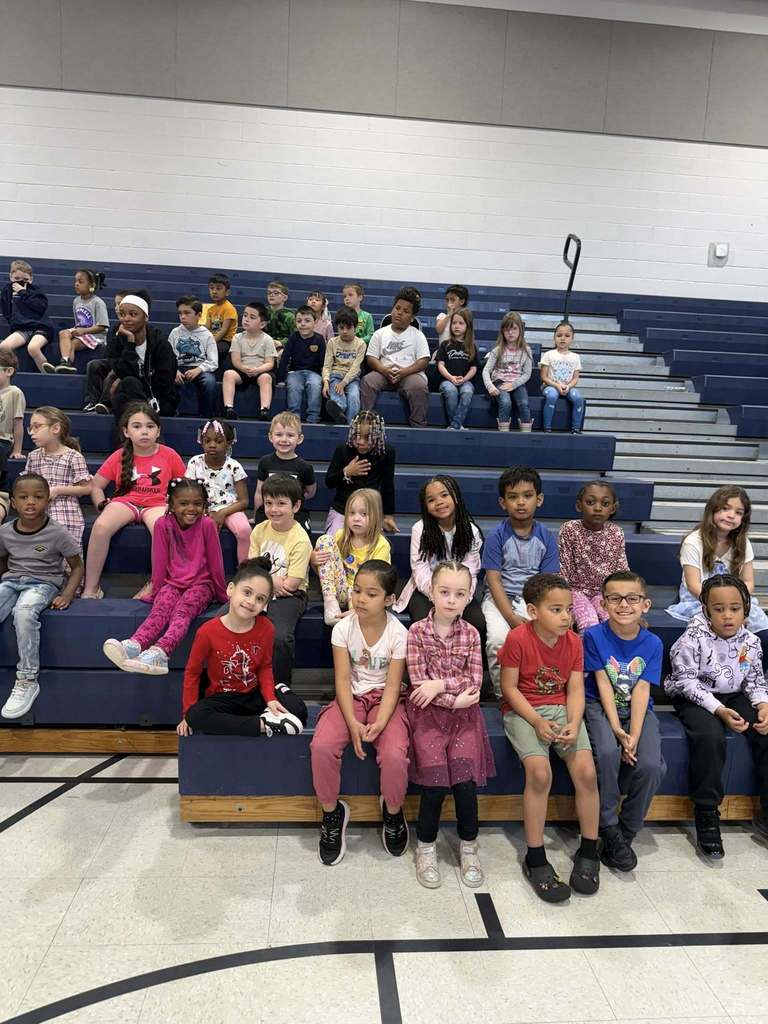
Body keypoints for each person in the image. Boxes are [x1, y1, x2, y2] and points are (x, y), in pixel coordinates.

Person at [500, 572, 600, 902]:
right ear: (533, 611)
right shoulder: (518, 639)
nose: (565, 616)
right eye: (556, 610)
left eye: (568, 609)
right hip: (524, 711)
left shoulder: (573, 641)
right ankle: (535, 855)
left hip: (562, 710)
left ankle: (589, 849)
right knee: (540, 774)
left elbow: (574, 689)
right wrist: (536, 720)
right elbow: (509, 689)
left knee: (586, 772)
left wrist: (574, 721)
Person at [310, 560, 410, 865]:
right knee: (322, 746)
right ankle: (332, 813)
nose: (360, 599)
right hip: (350, 697)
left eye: (371, 594)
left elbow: (393, 685)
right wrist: (352, 722)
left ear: (390, 599)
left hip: (386, 700)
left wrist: (380, 722)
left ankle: (392, 813)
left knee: (394, 755)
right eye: (356, 591)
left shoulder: (398, 632)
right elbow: (341, 678)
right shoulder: (343, 628)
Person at [665, 574, 768, 859]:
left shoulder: (750, 641)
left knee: (765, 729)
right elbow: (685, 682)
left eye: (734, 608)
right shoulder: (692, 638)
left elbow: (754, 681)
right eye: (719, 608)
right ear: (706, 610)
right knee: (710, 737)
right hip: (695, 695)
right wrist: (719, 710)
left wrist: (763, 704)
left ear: (745, 609)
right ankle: (707, 813)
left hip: (733, 693)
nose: (727, 615)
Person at [407, 561, 493, 889]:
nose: (451, 599)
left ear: (469, 596)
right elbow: (418, 684)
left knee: (465, 784)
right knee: (434, 785)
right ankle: (426, 847)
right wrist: (450, 696)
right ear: (431, 591)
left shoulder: (471, 633)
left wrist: (440, 688)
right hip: (428, 717)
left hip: (464, 718)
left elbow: (473, 680)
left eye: (460, 594)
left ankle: (469, 845)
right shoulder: (416, 632)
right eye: (444, 592)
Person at [583, 571, 666, 871]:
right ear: (604, 603)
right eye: (615, 598)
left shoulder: (653, 643)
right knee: (606, 753)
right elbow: (603, 682)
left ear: (645, 605)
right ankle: (607, 825)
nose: (624, 605)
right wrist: (617, 729)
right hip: (600, 707)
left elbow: (642, 689)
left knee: (652, 765)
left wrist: (633, 733)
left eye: (632, 598)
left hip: (638, 710)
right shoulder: (593, 635)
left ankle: (626, 831)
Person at [103, 478, 228, 675]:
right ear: (171, 504)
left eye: (197, 504)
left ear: (205, 505)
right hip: (173, 582)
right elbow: (159, 562)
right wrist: (156, 590)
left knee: (182, 612)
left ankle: (161, 651)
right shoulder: (162, 524)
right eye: (184, 503)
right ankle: (135, 644)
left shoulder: (207, 525)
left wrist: (221, 595)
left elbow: (216, 563)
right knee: (161, 609)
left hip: (202, 584)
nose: (191, 509)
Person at [178, 557, 308, 738]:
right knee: (195, 716)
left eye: (260, 598)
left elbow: (265, 666)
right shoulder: (207, 632)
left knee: (299, 710)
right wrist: (187, 714)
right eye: (247, 592)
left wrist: (270, 697)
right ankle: (264, 724)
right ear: (231, 589)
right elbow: (192, 673)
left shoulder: (267, 627)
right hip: (223, 696)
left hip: (254, 693)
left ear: (265, 605)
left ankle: (260, 715)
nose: (251, 601)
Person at [0, 473, 83, 719]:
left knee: (24, 613)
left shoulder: (57, 532)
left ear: (47, 500)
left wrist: (68, 594)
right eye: (23, 497)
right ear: (13, 502)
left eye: (38, 497)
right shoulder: (4, 532)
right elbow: (2, 559)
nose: (30, 502)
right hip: (12, 581)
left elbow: (77, 565)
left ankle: (27, 679)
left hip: (43, 583)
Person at [82, 403, 186, 598]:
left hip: (156, 503)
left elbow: (185, 485)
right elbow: (95, 485)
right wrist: (101, 504)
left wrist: (173, 505)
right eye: (137, 426)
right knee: (100, 527)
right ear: (126, 431)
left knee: (162, 527)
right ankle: (91, 587)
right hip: (126, 502)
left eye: (150, 426)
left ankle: (154, 584)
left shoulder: (169, 455)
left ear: (158, 430)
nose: (144, 432)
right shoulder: (119, 456)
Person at [481, 466, 559, 695]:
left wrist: (533, 613)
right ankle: (503, 695)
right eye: (513, 497)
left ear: (539, 499)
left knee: (545, 635)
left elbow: (548, 582)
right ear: (503, 503)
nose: (521, 503)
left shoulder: (546, 537)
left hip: (534, 599)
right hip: (499, 599)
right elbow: (494, 581)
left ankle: (536, 690)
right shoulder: (497, 536)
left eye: (527, 496)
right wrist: (513, 619)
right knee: (497, 640)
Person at [667, 485, 768, 637]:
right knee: (715, 625)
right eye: (725, 508)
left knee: (760, 626)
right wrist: (722, 606)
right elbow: (693, 585)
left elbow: (748, 582)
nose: (731, 515)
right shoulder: (693, 541)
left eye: (738, 512)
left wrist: (735, 606)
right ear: (712, 509)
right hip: (700, 600)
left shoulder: (743, 542)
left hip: (735, 600)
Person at [394, 475, 485, 641]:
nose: (439, 502)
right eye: (431, 500)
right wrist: (438, 595)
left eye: (444, 495)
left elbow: (471, 571)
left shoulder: (471, 531)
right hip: (427, 590)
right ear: (426, 507)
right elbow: (419, 568)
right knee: (427, 623)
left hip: (460, 590)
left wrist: (461, 598)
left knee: (477, 622)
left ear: (455, 496)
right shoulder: (420, 529)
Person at [248, 473, 312, 688]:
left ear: (296, 506)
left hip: (290, 595)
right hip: (260, 588)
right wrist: (272, 580)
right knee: (221, 620)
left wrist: (266, 579)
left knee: (281, 637)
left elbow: (292, 584)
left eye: (281, 503)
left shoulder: (300, 539)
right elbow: (250, 569)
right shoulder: (259, 529)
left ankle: (280, 687)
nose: (273, 509)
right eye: (268, 503)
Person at [311, 488, 390, 625]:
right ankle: (330, 603)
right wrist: (313, 561)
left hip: (365, 595)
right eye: (351, 513)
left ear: (376, 516)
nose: (356, 518)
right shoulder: (340, 536)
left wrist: (356, 610)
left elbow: (378, 583)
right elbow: (325, 573)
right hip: (339, 591)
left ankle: (357, 613)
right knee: (324, 540)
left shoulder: (381, 544)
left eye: (364, 514)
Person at [558, 481, 629, 633]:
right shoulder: (569, 529)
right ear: (579, 506)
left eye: (605, 503)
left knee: (614, 620)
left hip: (605, 593)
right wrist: (563, 605)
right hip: (575, 592)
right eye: (590, 502)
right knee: (589, 623)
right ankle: (587, 657)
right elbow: (562, 571)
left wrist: (626, 601)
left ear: (613, 508)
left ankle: (609, 656)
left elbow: (622, 572)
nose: (597, 508)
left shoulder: (616, 533)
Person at [361, 288, 430, 428]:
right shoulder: (379, 334)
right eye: (397, 308)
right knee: (368, 381)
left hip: (409, 374)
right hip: (383, 372)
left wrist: (404, 372)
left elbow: (423, 360)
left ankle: (418, 424)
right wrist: (384, 370)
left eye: (406, 311)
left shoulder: (417, 335)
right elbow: (371, 358)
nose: (400, 312)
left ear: (412, 318)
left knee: (419, 386)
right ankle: (366, 423)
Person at [186, 419, 251, 565]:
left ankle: (245, 571)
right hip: (201, 508)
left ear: (228, 443)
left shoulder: (234, 466)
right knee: (201, 530)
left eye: (218, 441)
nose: (212, 445)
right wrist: (203, 511)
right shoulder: (195, 463)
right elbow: (187, 492)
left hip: (230, 508)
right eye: (207, 440)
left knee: (244, 530)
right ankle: (197, 571)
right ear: (201, 441)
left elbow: (244, 501)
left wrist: (222, 513)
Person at [25, 407, 91, 549]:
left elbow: (86, 487)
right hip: (38, 506)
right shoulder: (33, 456)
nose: (31, 432)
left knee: (60, 534)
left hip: (65, 508)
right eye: (30, 428)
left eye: (37, 427)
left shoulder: (73, 457)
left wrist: (58, 490)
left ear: (55, 428)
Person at [325, 411, 397, 535]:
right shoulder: (343, 449)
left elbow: (387, 486)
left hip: (370, 511)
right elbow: (329, 481)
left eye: (367, 437)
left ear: (377, 436)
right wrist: (346, 472)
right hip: (343, 510)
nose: (361, 442)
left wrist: (388, 516)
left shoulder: (387, 452)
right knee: (333, 545)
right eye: (357, 435)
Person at [109, 294, 178, 421]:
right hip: (132, 396)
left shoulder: (161, 344)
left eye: (133, 314)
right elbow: (124, 373)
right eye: (122, 314)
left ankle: (143, 422)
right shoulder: (117, 342)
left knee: (128, 387)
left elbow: (165, 382)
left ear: (146, 317)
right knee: (126, 386)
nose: (126, 319)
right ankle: (143, 421)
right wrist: (130, 344)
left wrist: (148, 396)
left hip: (160, 400)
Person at [254, 412, 316, 534]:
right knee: (260, 531)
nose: (284, 439)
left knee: (303, 532)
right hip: (270, 510)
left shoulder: (305, 467)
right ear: (271, 437)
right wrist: (257, 515)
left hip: (295, 511)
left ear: (300, 439)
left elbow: (310, 492)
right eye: (279, 434)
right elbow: (259, 492)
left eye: (290, 435)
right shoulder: (265, 462)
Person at [82, 288, 142, 413]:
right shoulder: (116, 327)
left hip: (130, 364)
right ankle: (92, 402)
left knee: (112, 375)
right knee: (94, 365)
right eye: (116, 304)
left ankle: (106, 403)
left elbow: (135, 354)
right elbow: (110, 352)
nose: (116, 308)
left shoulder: (137, 326)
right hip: (115, 360)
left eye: (119, 304)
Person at [222, 301, 278, 421]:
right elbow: (235, 360)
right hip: (242, 370)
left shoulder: (267, 339)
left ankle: (264, 410)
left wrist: (257, 370)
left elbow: (270, 363)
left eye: (252, 317)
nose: (246, 319)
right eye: (245, 315)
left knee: (266, 378)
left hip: (260, 370)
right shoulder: (237, 337)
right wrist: (243, 368)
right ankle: (228, 408)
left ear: (262, 324)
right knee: (228, 374)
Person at [47, 268, 109, 374]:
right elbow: (79, 323)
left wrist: (84, 331)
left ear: (91, 286)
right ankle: (65, 362)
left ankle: (66, 364)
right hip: (82, 332)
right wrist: (78, 331)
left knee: (74, 343)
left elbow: (103, 326)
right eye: (75, 281)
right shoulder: (76, 301)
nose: (76, 284)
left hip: (96, 336)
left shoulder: (98, 302)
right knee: (63, 333)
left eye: (80, 282)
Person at [483, 311, 534, 432]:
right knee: (506, 402)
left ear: (520, 329)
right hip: (500, 382)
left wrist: (514, 384)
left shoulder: (526, 350)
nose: (510, 332)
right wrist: (490, 386)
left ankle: (526, 435)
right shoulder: (497, 350)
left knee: (524, 403)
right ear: (502, 332)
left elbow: (527, 373)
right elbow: (486, 370)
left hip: (517, 382)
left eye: (514, 329)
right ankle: (504, 434)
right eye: (507, 329)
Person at [0, 260, 55, 372]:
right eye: (17, 279)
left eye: (25, 280)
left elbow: (40, 307)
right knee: (4, 346)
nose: (20, 283)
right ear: (11, 277)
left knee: (33, 348)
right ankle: (10, 372)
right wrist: (13, 321)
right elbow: (6, 310)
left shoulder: (35, 291)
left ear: (31, 279)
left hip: (40, 328)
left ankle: (48, 374)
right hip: (22, 329)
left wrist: (23, 293)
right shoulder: (7, 290)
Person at [168, 296, 218, 418]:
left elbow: (213, 362)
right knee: (165, 378)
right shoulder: (175, 333)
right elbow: (168, 357)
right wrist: (175, 371)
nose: (182, 317)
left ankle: (207, 416)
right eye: (180, 313)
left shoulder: (207, 335)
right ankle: (169, 413)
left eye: (187, 313)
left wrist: (199, 369)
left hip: (199, 368)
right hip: (179, 367)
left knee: (210, 382)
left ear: (198, 315)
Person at [276, 305, 326, 424]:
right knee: (294, 386)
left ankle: (313, 417)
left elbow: (324, 362)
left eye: (307, 321)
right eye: (299, 321)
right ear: (295, 323)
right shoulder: (293, 338)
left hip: (314, 373)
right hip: (295, 372)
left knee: (314, 385)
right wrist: (280, 378)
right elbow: (285, 358)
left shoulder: (319, 339)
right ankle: (294, 416)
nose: (303, 324)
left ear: (315, 322)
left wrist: (325, 379)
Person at [436, 306, 480, 431]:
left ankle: (454, 425)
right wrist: (450, 377)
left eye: (461, 323)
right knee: (451, 391)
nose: (456, 326)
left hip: (465, 380)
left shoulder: (471, 346)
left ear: (468, 326)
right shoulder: (445, 344)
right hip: (447, 380)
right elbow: (440, 365)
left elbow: (474, 368)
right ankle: (457, 426)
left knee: (467, 392)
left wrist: (465, 378)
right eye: (454, 323)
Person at [321, 307, 366, 425]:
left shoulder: (360, 344)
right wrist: (326, 381)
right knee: (336, 393)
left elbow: (356, 368)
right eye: (341, 328)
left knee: (354, 396)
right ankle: (339, 411)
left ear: (355, 327)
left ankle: (351, 424)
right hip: (335, 375)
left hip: (352, 378)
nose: (345, 331)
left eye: (348, 328)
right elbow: (327, 365)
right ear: (337, 328)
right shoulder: (332, 342)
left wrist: (344, 382)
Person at [540, 320, 584, 434]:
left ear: (572, 338)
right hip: (550, 386)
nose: (563, 338)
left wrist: (568, 386)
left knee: (579, 398)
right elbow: (544, 377)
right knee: (552, 396)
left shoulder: (575, 357)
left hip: (568, 387)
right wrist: (557, 385)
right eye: (559, 335)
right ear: (554, 337)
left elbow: (575, 378)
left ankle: (576, 428)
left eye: (567, 336)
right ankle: (547, 428)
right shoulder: (549, 354)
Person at [0, 351, 26, 518]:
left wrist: (17, 449)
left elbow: (18, 424)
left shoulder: (15, 392)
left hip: (3, 439)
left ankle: (3, 488)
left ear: (8, 371)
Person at [203, 273, 237, 368]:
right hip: (213, 339)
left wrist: (211, 343)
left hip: (226, 342)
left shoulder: (229, 308)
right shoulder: (211, 309)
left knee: (214, 349)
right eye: (211, 288)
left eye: (218, 288)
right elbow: (207, 328)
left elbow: (224, 330)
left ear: (227, 292)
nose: (214, 291)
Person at [265, 280, 295, 358]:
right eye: (269, 293)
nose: (271, 295)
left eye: (276, 293)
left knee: (281, 355)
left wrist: (281, 343)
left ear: (285, 297)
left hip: (282, 347)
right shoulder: (262, 312)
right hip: (263, 344)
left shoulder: (290, 316)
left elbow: (295, 337)